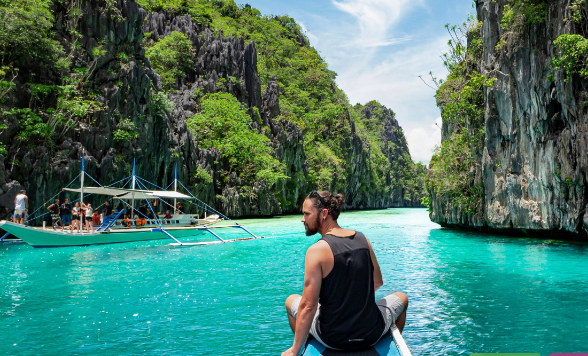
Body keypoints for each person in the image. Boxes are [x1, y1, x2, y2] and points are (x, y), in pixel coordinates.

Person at [281, 191, 409, 356]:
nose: (302, 219)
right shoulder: (363, 240)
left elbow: (308, 306)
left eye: (306, 214)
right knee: (402, 298)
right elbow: (377, 282)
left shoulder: (316, 251)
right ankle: (383, 347)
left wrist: (293, 351)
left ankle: (303, 347)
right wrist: (353, 303)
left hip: (332, 339)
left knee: (291, 300)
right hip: (370, 334)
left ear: (324, 213)